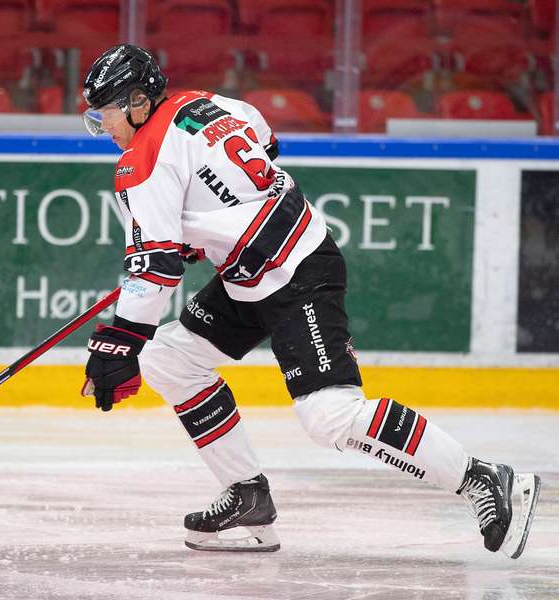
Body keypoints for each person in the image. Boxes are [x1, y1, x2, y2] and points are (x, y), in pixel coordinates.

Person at [78, 44, 541, 555]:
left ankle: (481, 476)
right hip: (256, 272)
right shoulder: (210, 104)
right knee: (171, 359)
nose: (106, 129)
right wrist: (205, 230)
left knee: (330, 416)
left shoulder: (140, 163)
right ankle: (248, 495)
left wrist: (117, 346)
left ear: (138, 101)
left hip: (296, 274)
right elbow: (265, 150)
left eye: (107, 115)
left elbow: (156, 271)